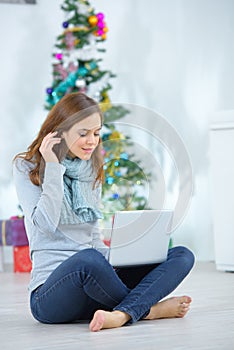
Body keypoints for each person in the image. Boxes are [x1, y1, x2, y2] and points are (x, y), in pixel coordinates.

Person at [13, 92, 195, 332]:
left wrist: (123, 256)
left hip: (95, 288)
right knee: (88, 260)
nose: (92, 141)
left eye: (97, 133)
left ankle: (120, 313)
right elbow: (44, 226)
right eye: (83, 133)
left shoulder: (89, 170)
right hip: (50, 296)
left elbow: (92, 240)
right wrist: (54, 167)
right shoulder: (27, 166)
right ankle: (148, 310)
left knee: (181, 255)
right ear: (60, 131)